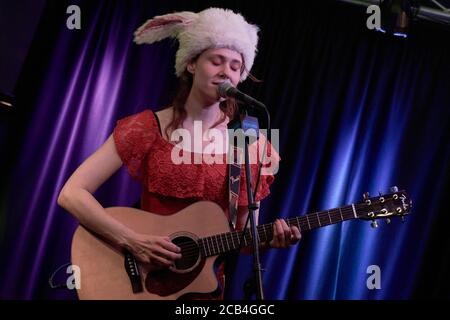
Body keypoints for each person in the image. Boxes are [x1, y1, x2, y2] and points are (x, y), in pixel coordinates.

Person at [57, 7, 301, 300]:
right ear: (191, 64)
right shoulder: (148, 127)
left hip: (199, 294)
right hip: (142, 279)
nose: (227, 71)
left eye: (236, 66)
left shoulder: (249, 142)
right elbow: (71, 193)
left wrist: (269, 241)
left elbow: (244, 236)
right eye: (217, 61)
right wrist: (133, 241)